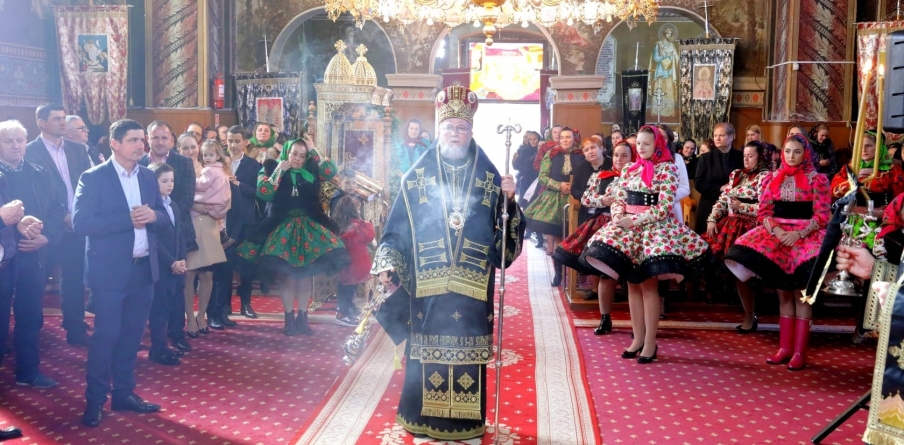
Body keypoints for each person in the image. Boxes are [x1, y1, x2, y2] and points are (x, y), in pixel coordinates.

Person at [372, 84, 524, 441]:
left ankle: (467, 425)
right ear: (439, 131)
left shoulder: (489, 176)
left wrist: (511, 201)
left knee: (467, 349)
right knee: (425, 350)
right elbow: (398, 226)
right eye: (449, 127)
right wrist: (388, 261)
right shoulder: (418, 176)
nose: (455, 133)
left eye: (461, 127)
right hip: (428, 279)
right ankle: (422, 420)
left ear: (471, 131)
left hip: (472, 278)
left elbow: (508, 234)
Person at [583, 125, 710, 363]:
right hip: (629, 228)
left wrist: (636, 219)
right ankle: (638, 338)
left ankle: (651, 341)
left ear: (657, 145)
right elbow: (620, 197)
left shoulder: (668, 169)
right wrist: (619, 214)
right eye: (639, 144)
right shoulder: (630, 169)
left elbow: (663, 207)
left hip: (653, 228)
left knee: (648, 286)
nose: (641, 148)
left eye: (647, 144)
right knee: (631, 284)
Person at [73, 119, 167, 427]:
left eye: (142, 140)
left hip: (143, 271)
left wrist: (153, 215)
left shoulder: (149, 178)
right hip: (110, 275)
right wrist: (129, 220)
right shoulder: (94, 177)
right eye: (133, 140)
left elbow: (163, 218)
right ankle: (95, 401)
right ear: (115, 144)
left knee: (131, 338)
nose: (141, 145)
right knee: (106, 338)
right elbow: (82, 223)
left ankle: (124, 393)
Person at [724, 134, 830, 370]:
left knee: (801, 293)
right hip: (778, 235)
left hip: (805, 236)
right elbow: (764, 213)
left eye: (797, 152)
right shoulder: (773, 178)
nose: (792, 156)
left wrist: (798, 234)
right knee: (783, 293)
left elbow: (822, 216)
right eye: (788, 151)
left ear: (806, 154)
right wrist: (778, 231)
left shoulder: (818, 179)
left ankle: (800, 351)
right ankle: (784, 348)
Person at [236, 135, 349, 336]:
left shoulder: (312, 171)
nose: (297, 158)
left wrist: (314, 150)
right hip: (282, 228)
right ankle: (289, 319)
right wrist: (280, 170)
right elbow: (264, 193)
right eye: (294, 154)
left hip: (308, 227)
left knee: (305, 277)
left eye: (302, 156)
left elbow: (330, 170)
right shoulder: (270, 167)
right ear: (287, 152)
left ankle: (303, 319)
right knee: (288, 277)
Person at [0, 119, 66, 388]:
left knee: (29, 316)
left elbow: (56, 209)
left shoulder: (39, 172)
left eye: (19, 140)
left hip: (32, 254)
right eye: (8, 141)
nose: (15, 146)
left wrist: (46, 237)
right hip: (2, 258)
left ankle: (28, 371)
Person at [24, 104, 93, 347]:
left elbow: (87, 183)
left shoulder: (77, 149)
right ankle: (33, 333)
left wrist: (79, 214)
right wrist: (63, 215)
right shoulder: (30, 151)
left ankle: (75, 330)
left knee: (74, 279)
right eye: (56, 119)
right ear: (41, 123)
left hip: (76, 224)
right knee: (38, 280)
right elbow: (36, 192)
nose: (62, 123)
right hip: (47, 225)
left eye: (64, 118)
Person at [555, 141, 633, 332]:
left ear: (632, 158)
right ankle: (605, 318)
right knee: (605, 273)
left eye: (624, 155)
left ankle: (637, 323)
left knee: (633, 274)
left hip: (632, 225)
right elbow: (586, 197)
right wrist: (602, 200)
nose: (619, 159)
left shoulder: (638, 176)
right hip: (606, 224)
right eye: (616, 155)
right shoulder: (603, 175)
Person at [703, 141, 771, 333]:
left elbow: (767, 208)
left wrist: (743, 207)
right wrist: (712, 218)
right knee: (737, 272)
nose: (747, 159)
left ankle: (753, 313)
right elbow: (723, 200)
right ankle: (748, 314)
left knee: (749, 273)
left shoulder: (765, 177)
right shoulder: (736, 175)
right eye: (745, 155)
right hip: (731, 226)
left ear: (760, 157)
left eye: (751, 156)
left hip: (753, 227)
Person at [210, 125, 263, 322]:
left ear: (245, 142)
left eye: (237, 141)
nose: (233, 145)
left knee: (246, 264)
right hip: (224, 219)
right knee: (224, 264)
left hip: (247, 220)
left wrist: (238, 184)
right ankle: (224, 305)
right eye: (230, 141)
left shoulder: (253, 165)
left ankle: (246, 303)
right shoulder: (218, 162)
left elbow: (259, 193)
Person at [525, 127, 584, 286]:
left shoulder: (581, 156)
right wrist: (559, 185)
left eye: (568, 137)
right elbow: (542, 177)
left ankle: (575, 276)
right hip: (555, 199)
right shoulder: (550, 155)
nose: (565, 140)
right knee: (558, 236)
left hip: (576, 199)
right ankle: (558, 273)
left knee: (576, 238)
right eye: (562, 137)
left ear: (574, 138)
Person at [184, 139, 230, 334]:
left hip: (211, 224)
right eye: (185, 147)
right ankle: (189, 318)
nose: (191, 151)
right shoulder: (179, 167)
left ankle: (201, 315)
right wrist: (193, 204)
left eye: (193, 147)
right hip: (190, 225)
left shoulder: (209, 169)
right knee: (189, 273)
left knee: (208, 274)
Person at [146, 163, 188, 365]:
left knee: (174, 303)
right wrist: (171, 262)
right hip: (160, 265)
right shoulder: (151, 208)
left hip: (176, 263)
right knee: (159, 308)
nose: (170, 184)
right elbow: (153, 240)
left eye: (172, 180)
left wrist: (181, 259)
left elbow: (179, 235)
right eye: (164, 181)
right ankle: (158, 348)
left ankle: (171, 340)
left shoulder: (173, 205)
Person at [141, 121, 197, 253]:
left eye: (164, 138)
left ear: (171, 140)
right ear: (148, 139)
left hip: (177, 229)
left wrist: (163, 218)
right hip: (146, 229)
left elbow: (187, 199)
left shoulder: (184, 162)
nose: (160, 142)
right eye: (155, 137)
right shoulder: (139, 163)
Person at [830, 130, 904, 209]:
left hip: (882, 214)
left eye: (868, 146)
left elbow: (900, 198)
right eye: (860, 146)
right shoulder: (850, 168)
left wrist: (884, 211)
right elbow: (833, 192)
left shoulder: (893, 170)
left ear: (879, 147)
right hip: (852, 212)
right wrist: (854, 182)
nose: (863, 150)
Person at [332, 195, 374, 326]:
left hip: (349, 264)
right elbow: (368, 236)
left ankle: (347, 308)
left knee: (347, 289)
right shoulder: (356, 226)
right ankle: (343, 313)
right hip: (354, 263)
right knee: (347, 289)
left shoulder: (339, 225)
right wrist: (360, 227)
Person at [694, 123, 744, 234]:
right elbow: (698, 182)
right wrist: (720, 188)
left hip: (733, 205)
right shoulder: (705, 158)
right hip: (709, 203)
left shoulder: (740, 157)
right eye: (715, 135)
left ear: (731, 137)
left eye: (721, 135)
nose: (717, 138)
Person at [513, 130, 541, 208]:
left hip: (538, 179)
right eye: (530, 139)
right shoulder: (524, 151)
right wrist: (526, 168)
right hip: (527, 179)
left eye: (535, 139)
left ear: (538, 139)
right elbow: (518, 165)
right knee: (525, 203)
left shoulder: (541, 150)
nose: (533, 141)